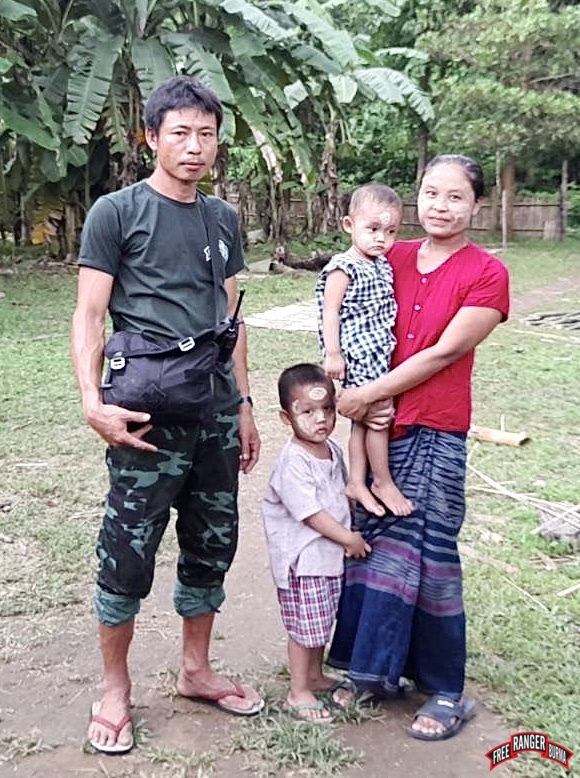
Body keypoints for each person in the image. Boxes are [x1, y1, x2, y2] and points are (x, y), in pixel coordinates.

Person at [71, 76, 263, 755]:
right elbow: (90, 315)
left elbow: (231, 321)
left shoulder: (222, 219)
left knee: (212, 544)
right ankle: (116, 688)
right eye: (179, 132)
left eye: (205, 133)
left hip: (213, 413)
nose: (193, 146)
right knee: (126, 554)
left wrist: (243, 407)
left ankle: (196, 669)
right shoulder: (116, 213)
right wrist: (93, 403)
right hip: (144, 415)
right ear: (151, 137)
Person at [326, 155, 510, 741]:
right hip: (379, 429)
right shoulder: (389, 255)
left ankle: (446, 689)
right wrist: (339, 384)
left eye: (455, 197)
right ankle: (374, 672)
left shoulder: (486, 273)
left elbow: (441, 354)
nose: (440, 206)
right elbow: (339, 300)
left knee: (429, 554)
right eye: (431, 193)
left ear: (475, 206)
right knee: (374, 546)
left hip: (433, 428)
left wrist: (364, 395)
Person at [261, 363, 371, 723]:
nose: (320, 419)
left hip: (326, 560)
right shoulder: (294, 461)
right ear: (285, 417)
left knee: (320, 623)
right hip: (303, 561)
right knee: (304, 629)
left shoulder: (332, 451)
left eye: (326, 409)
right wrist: (348, 538)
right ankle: (298, 691)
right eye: (306, 411)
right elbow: (311, 514)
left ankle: (314, 674)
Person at [315, 184, 413, 518]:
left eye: (390, 231)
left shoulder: (381, 264)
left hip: (377, 351)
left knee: (364, 419)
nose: (381, 238)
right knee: (379, 417)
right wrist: (333, 352)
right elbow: (330, 311)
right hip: (357, 353)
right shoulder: (344, 267)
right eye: (372, 229)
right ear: (348, 225)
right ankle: (382, 480)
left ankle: (357, 480)